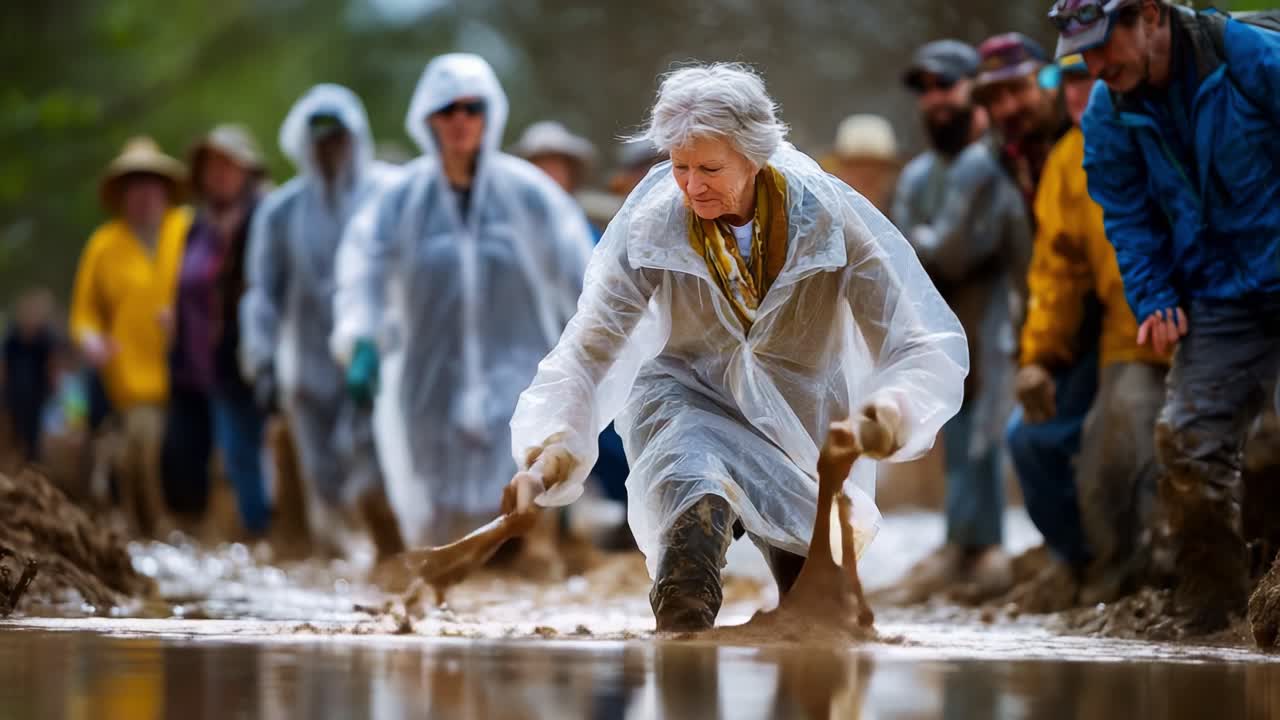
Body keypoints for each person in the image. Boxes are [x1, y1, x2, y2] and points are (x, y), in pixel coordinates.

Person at [500, 63, 967, 632]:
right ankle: (684, 663)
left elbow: (915, 346)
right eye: (679, 167)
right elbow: (589, 352)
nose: (693, 186)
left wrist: (888, 413)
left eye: (711, 169)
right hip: (687, 405)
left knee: (822, 617)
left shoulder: (825, 222)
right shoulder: (654, 226)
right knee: (690, 541)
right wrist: (548, 458)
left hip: (797, 425)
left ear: (754, 157)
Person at [1055, 0, 1280, 631]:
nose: (1095, 68)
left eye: (1103, 46)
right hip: (1217, 294)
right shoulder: (1108, 110)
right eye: (1082, 55)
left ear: (1150, 15)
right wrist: (1154, 296)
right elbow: (1126, 214)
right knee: (1185, 441)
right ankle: (1211, 611)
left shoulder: (1252, 58)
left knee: (1273, 448)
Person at [332, 54, 595, 547]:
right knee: (434, 514)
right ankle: (441, 603)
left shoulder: (529, 195)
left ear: (488, 114)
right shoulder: (399, 199)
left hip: (519, 375)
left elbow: (585, 276)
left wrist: (592, 357)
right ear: (427, 118)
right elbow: (361, 270)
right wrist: (359, 335)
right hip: (428, 381)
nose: (459, 120)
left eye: (471, 108)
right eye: (446, 109)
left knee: (518, 507)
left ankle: (523, 594)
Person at [1006, 53, 1169, 609]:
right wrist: (1039, 357)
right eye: (1066, 77)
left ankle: (1174, 582)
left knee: (1143, 452)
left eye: (1090, 75)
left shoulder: (1162, 127)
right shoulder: (1066, 160)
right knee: (1070, 449)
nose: (1078, 90)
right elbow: (1057, 274)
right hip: (1126, 335)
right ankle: (1101, 576)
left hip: (1212, 322)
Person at [883, 40, 1030, 605]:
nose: (935, 99)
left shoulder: (988, 163)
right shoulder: (921, 172)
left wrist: (914, 246)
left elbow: (950, 250)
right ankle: (958, 545)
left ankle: (983, 548)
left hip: (994, 316)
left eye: (946, 84)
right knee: (956, 432)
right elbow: (902, 255)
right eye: (925, 90)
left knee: (985, 437)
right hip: (943, 325)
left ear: (975, 90)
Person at [241, 85, 405, 558]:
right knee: (325, 487)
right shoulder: (281, 212)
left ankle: (390, 566)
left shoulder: (389, 195)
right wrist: (262, 360)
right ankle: (337, 588)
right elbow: (262, 296)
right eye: (321, 140)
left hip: (377, 366)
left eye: (339, 138)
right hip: (310, 374)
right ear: (304, 145)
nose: (331, 149)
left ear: (356, 138)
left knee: (378, 477)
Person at [70, 137, 192, 538]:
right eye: (134, 183)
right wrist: (92, 342)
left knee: (193, 458)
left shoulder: (186, 229)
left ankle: (189, 533)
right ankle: (152, 536)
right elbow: (84, 314)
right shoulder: (103, 245)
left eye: (151, 182)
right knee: (139, 457)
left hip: (192, 370)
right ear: (122, 192)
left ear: (164, 188)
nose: (144, 192)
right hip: (133, 377)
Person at [165, 124, 270, 534]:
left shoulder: (265, 217)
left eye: (229, 165)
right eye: (212, 166)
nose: (220, 174)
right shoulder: (197, 228)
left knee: (258, 455)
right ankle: (246, 538)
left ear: (247, 170)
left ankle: (273, 537)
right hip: (201, 366)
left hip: (254, 359)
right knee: (220, 460)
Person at [973, 33, 1070, 218]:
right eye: (994, 98)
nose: (1008, 108)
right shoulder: (997, 168)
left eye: (1017, 88)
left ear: (1050, 82)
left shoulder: (1091, 146)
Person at [2, 289, 57, 462]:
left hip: (36, 393)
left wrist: (51, 384)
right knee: (15, 428)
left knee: (33, 430)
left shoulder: (44, 338)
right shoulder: (12, 337)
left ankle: (32, 460)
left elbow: (51, 364)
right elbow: (4, 364)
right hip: (14, 392)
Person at [825, 114, 900, 215]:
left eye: (875, 167)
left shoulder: (905, 213)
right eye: (856, 167)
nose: (866, 175)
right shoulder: (824, 217)